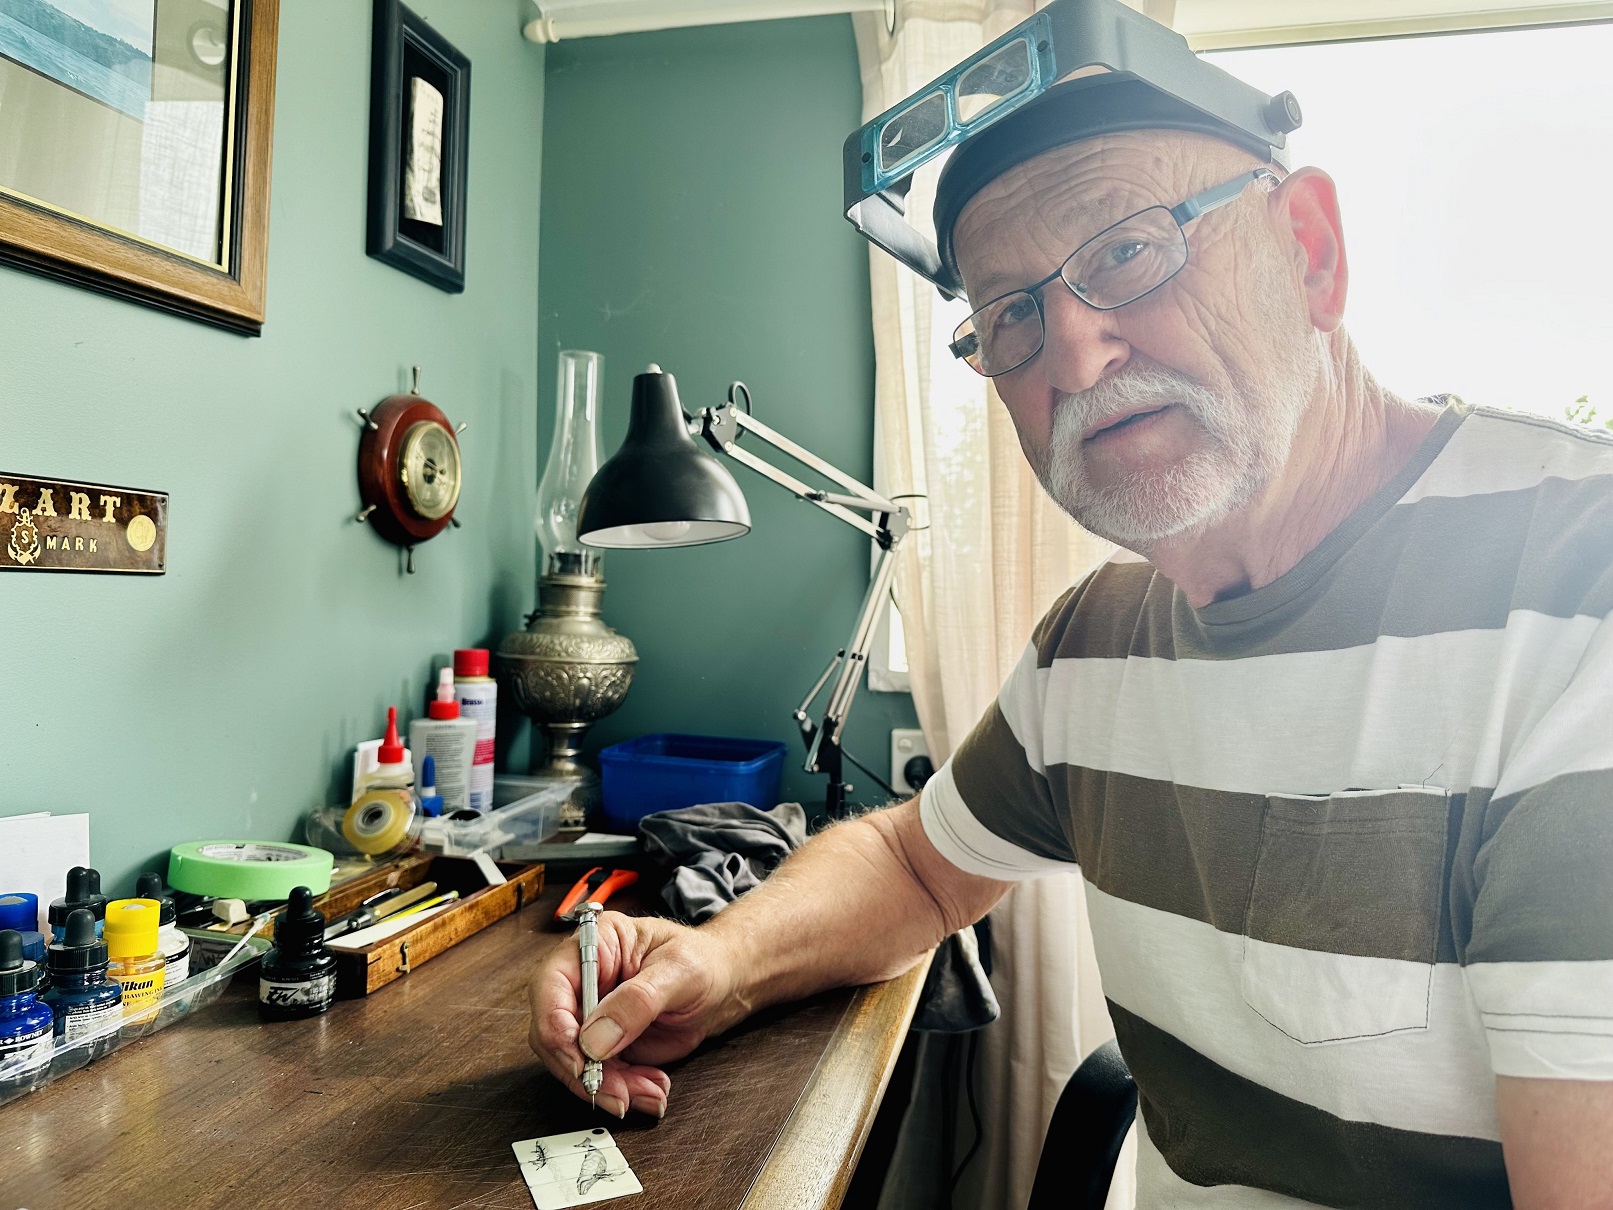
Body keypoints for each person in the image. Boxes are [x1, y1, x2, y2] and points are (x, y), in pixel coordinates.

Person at [528, 8, 1613, 1205]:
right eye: (1009, 317)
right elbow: (915, 861)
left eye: (1127, 252)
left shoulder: (1575, 595)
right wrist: (713, 962)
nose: (1075, 356)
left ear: (1308, 251)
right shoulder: (1094, 638)